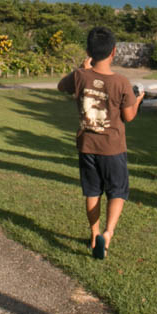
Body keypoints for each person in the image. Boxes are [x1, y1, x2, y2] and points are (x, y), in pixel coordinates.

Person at [58, 26, 144, 260]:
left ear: (88, 51)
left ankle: (94, 234)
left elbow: (60, 86)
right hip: (113, 147)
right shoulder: (121, 82)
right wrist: (138, 100)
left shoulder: (79, 76)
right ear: (113, 51)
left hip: (86, 145)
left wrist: (81, 69)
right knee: (117, 191)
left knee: (92, 191)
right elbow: (129, 117)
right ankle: (108, 233)